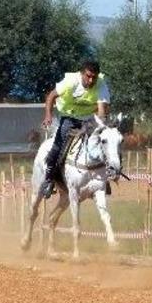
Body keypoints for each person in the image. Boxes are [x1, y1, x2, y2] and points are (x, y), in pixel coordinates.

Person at [38, 59, 111, 199]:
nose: (91, 80)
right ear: (82, 74)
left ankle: (104, 179)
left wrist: (101, 125)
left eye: (94, 77)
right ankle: (49, 181)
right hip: (69, 117)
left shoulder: (101, 84)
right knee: (57, 148)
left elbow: (102, 109)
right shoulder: (70, 82)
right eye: (88, 76)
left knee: (104, 143)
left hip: (89, 118)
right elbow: (51, 96)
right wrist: (48, 115)